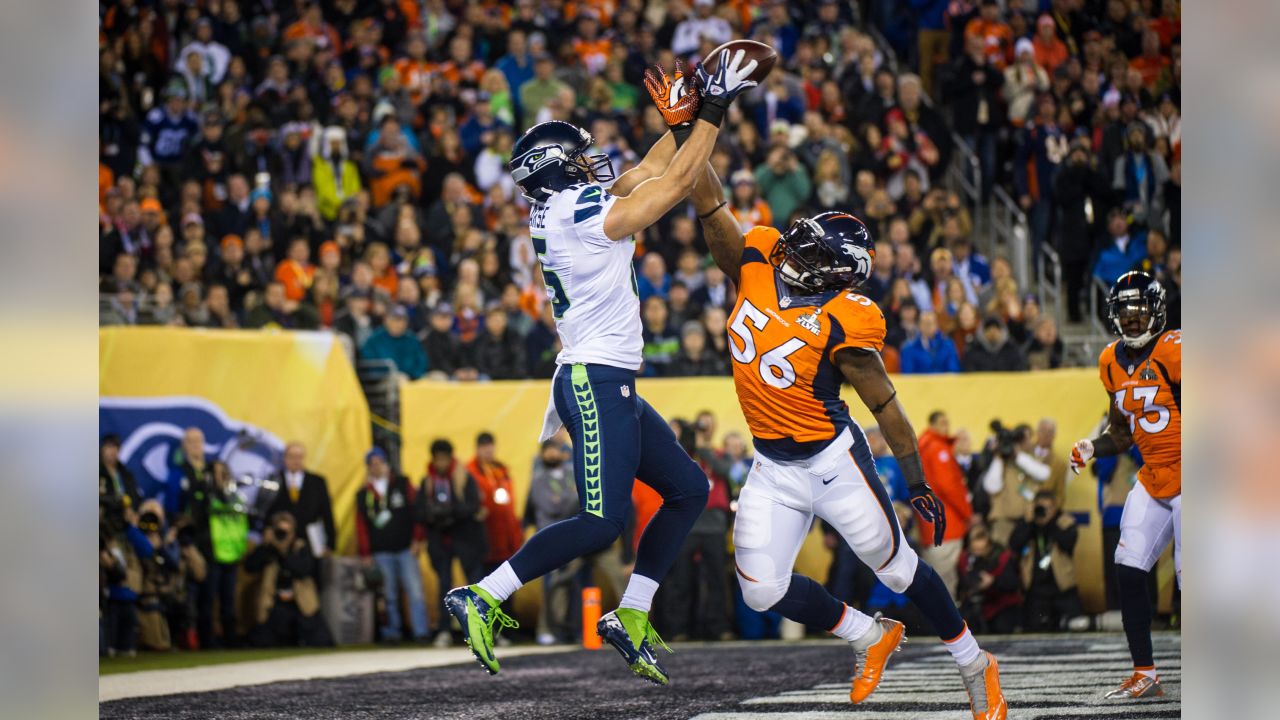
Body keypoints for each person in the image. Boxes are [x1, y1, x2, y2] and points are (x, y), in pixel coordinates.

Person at [444, 51, 757, 683]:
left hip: (606, 376)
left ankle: (631, 613)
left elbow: (648, 168)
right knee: (600, 521)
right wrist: (713, 113)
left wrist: (683, 121)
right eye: (581, 158)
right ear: (557, 172)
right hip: (592, 377)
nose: (594, 164)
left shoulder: (562, 207)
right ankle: (484, 593)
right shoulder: (573, 213)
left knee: (688, 489)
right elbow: (670, 187)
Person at [689, 171, 1006, 714]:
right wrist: (690, 135)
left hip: (834, 463)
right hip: (771, 466)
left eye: (809, 252)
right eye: (800, 241)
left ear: (834, 274)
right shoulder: (760, 261)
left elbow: (884, 404)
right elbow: (712, 205)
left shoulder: (846, 318)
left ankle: (976, 663)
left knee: (898, 568)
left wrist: (915, 479)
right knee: (761, 589)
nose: (792, 252)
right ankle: (867, 634)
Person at [1069, 272, 1181, 700]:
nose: (1132, 320)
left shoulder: (1176, 350)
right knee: (1129, 567)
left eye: (1139, 310)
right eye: (1124, 311)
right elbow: (1122, 432)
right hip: (1154, 476)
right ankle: (1145, 672)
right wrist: (1091, 447)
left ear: (1157, 310)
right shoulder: (1111, 360)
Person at [354, 447, 430, 644]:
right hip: (381, 551)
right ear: (368, 468)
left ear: (386, 464)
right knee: (388, 595)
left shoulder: (402, 484)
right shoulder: (364, 494)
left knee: (415, 591)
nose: (377, 467)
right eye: (373, 464)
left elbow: (417, 513)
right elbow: (362, 526)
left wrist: (417, 539)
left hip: (405, 547)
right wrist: (366, 552)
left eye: (380, 462)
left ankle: (420, 631)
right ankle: (392, 633)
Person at [419, 439, 487, 647]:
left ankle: (482, 629)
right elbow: (419, 511)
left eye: (444, 459)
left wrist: (451, 512)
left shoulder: (464, 477)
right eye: (437, 459)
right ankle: (444, 630)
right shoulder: (427, 481)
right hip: (441, 541)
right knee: (443, 586)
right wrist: (433, 515)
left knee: (475, 586)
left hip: (465, 539)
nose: (441, 463)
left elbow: (473, 505)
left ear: (450, 458)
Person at [245, 512, 334, 647]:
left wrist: (283, 552)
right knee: (262, 642)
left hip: (300, 605)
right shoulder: (268, 548)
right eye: (280, 532)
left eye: (287, 532)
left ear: (293, 533)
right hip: (274, 607)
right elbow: (249, 567)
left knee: (321, 641)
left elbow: (303, 570)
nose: (283, 536)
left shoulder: (300, 547)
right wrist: (266, 546)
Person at [525, 438, 579, 645]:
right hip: (549, 537)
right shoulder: (539, 479)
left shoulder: (570, 473)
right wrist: (569, 500)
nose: (552, 454)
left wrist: (566, 500)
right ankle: (546, 629)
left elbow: (574, 499)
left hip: (570, 536)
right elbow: (551, 506)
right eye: (548, 451)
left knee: (570, 584)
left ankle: (570, 629)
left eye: (555, 450)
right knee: (549, 584)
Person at [916, 411, 975, 600]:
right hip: (947, 524)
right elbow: (949, 487)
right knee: (945, 581)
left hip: (930, 524)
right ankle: (948, 626)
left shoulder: (923, 445)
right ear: (932, 425)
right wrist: (968, 514)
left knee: (935, 578)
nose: (946, 427)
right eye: (942, 423)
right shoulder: (937, 449)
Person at [1008, 491, 1084, 631]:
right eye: (1040, 508)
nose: (1043, 511)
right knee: (1033, 628)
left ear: (1055, 508)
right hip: (1036, 590)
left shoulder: (1065, 521)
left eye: (1048, 508)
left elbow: (1067, 543)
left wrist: (1050, 523)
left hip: (1062, 589)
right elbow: (1014, 545)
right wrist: (1028, 522)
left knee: (1075, 625)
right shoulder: (1029, 523)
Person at [265, 442, 337, 578]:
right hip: (280, 542)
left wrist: (330, 542)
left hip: (309, 541)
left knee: (310, 579)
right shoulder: (273, 480)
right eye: (291, 456)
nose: (295, 461)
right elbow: (266, 510)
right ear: (284, 458)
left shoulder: (317, 482)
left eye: (299, 457)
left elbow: (327, 513)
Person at [467, 433, 523, 575]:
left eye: (490, 446)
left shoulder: (502, 471)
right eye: (484, 447)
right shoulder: (470, 473)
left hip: (507, 542)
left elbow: (509, 507)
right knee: (484, 587)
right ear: (477, 449)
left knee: (507, 589)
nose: (488, 450)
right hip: (484, 541)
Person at [957, 523, 1022, 634]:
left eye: (981, 550)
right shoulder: (964, 560)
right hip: (975, 604)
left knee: (1001, 625)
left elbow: (1013, 584)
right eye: (975, 550)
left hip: (1001, 604)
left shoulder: (1003, 558)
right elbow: (961, 585)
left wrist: (993, 581)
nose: (978, 554)